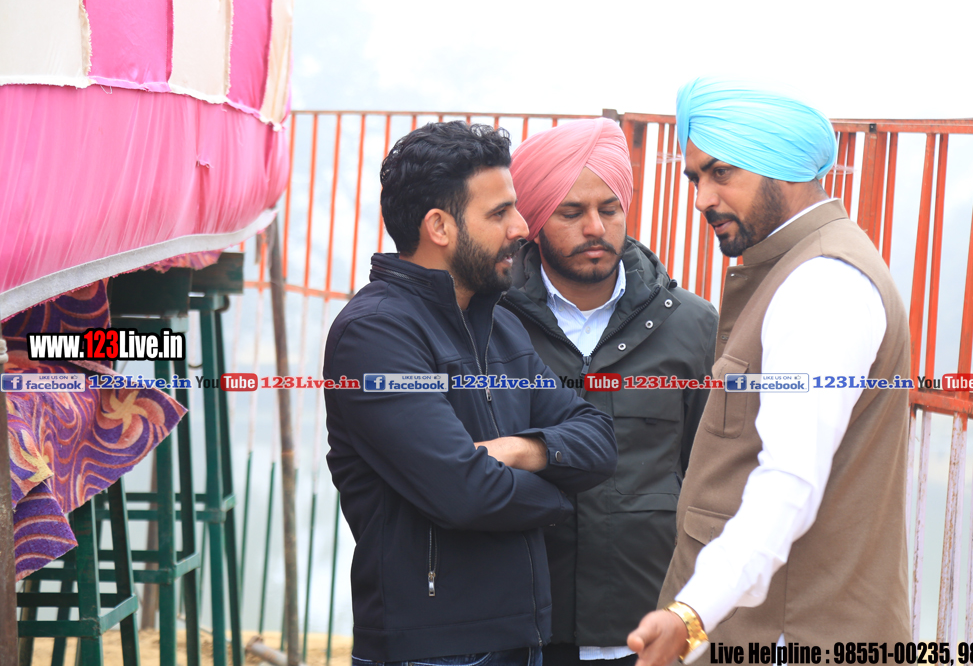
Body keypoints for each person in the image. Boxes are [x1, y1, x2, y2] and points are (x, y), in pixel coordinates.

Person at [628, 79, 912, 664]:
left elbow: (789, 480)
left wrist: (692, 612)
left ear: (779, 166)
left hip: (790, 634)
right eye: (695, 178)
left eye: (721, 172)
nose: (702, 198)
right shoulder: (796, 267)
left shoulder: (822, 285)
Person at [323, 121, 618, 666]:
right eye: (500, 212)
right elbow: (464, 491)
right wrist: (562, 499)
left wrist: (522, 450)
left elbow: (599, 438)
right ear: (439, 226)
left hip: (520, 638)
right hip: (429, 650)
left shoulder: (500, 326)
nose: (521, 227)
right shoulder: (376, 335)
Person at [501, 118, 718, 666]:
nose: (595, 227)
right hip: (521, 630)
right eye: (571, 212)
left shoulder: (692, 325)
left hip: (650, 628)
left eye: (610, 209)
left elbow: (712, 476)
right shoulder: (493, 323)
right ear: (534, 218)